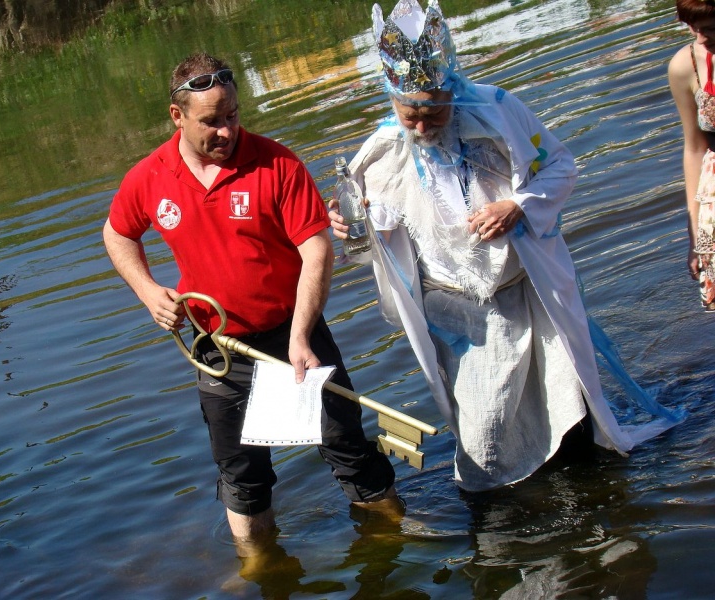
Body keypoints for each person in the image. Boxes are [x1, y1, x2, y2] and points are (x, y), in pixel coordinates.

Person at [330, 0, 683, 493]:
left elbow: (560, 166)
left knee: (568, 402)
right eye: (409, 114)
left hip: (529, 292)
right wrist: (353, 233)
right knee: (485, 433)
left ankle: (591, 492)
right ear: (391, 100)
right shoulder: (382, 153)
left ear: (450, 88)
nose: (421, 126)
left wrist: (517, 205)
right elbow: (377, 244)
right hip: (461, 313)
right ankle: (498, 517)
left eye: (433, 111)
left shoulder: (498, 111)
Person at [103, 52, 400, 542]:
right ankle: (260, 566)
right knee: (241, 473)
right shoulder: (150, 176)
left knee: (347, 446)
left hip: (293, 336)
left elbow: (317, 250)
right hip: (217, 348)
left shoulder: (277, 163)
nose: (226, 131)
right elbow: (117, 234)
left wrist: (302, 335)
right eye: (211, 122)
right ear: (177, 117)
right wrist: (148, 291)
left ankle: (394, 537)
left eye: (233, 115)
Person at [668, 0, 715, 310]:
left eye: (710, 28)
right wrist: (696, 235)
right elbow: (694, 148)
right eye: (692, 28)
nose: (700, 38)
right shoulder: (685, 66)